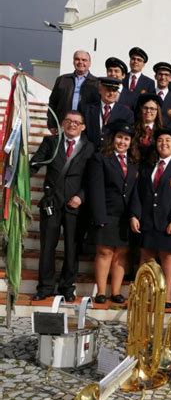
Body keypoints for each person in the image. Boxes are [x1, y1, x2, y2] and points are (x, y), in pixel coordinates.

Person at [30, 111, 95, 301]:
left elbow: (92, 178)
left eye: (77, 122)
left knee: (71, 249)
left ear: (83, 126)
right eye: (68, 121)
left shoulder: (89, 147)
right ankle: (45, 287)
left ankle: (67, 286)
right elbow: (35, 163)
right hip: (51, 202)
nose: (72, 125)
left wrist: (81, 197)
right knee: (47, 247)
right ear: (63, 124)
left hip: (74, 205)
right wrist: (19, 173)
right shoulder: (51, 142)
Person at [130, 128, 171, 308]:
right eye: (160, 140)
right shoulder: (147, 166)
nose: (164, 143)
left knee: (168, 257)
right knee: (146, 256)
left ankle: (166, 296)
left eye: (168, 140)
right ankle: (143, 295)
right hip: (147, 220)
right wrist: (135, 215)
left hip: (169, 222)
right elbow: (137, 192)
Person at [87, 121, 139, 304]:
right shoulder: (101, 158)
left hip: (125, 216)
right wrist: (99, 217)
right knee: (105, 252)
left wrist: (134, 215)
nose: (122, 142)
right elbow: (96, 189)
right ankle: (101, 291)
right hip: (106, 213)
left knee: (121, 254)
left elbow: (134, 192)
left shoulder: (133, 163)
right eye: (119, 138)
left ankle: (116, 291)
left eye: (126, 139)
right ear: (113, 139)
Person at [47, 50, 99, 133]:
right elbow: (52, 103)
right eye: (77, 59)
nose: (80, 62)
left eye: (84, 60)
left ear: (89, 63)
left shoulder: (97, 83)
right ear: (73, 62)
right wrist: (52, 124)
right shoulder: (62, 80)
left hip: (85, 128)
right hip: (64, 125)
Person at [82, 77, 134, 150]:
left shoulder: (126, 113)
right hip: (89, 152)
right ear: (100, 90)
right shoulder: (86, 109)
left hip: (111, 154)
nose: (111, 93)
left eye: (114, 90)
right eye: (108, 90)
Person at [133, 93, 164, 162]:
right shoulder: (132, 129)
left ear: (157, 111)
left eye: (152, 109)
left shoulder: (162, 131)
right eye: (145, 108)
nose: (148, 111)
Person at [153, 61, 171, 131]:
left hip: (167, 137)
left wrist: (163, 133)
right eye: (160, 74)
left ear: (170, 78)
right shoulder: (147, 96)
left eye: (166, 75)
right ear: (155, 76)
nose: (163, 77)